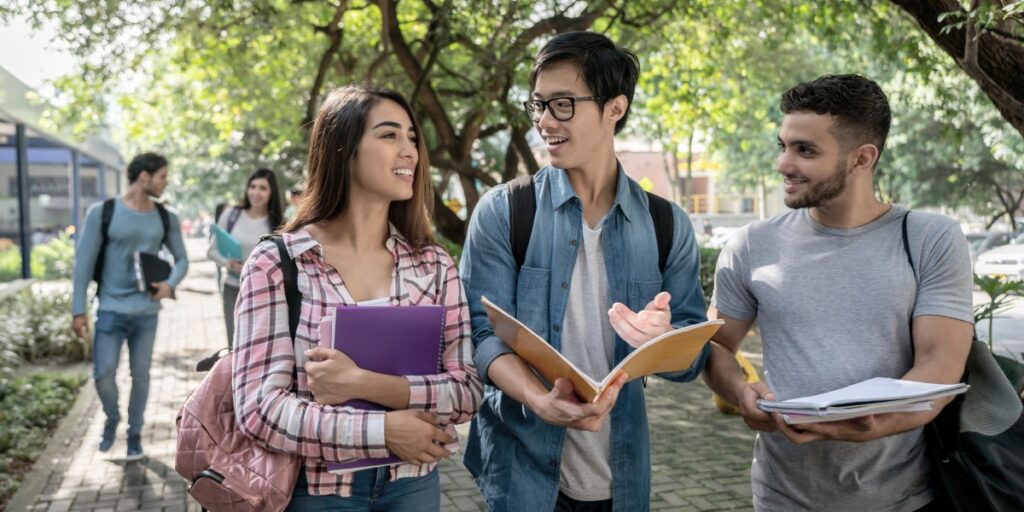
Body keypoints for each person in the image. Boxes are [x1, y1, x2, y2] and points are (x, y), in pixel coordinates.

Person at [459, 32, 709, 511]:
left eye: (563, 104)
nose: (544, 121)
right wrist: (538, 399)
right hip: (522, 475)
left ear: (615, 108)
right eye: (539, 105)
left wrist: (662, 342)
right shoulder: (504, 212)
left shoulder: (667, 224)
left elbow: (692, 358)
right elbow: (480, 335)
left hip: (622, 478)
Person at [702, 74, 974, 512]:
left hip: (902, 498)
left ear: (862, 158)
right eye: (783, 145)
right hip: (782, 496)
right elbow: (716, 345)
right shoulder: (751, 244)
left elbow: (939, 367)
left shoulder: (930, 239)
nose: (783, 164)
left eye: (805, 150)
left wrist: (872, 421)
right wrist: (739, 390)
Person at [232, 85, 482, 510]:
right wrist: (383, 431)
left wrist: (362, 384)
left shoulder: (434, 264)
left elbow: (467, 391)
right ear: (344, 150)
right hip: (317, 492)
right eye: (389, 135)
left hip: (413, 485)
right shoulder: (278, 263)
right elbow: (260, 409)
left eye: (412, 138)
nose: (410, 151)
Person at [70, 152, 189, 460]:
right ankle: (112, 417)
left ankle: (135, 433)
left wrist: (170, 285)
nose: (165, 182)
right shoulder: (103, 212)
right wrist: (78, 309)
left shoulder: (166, 217)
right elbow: (83, 264)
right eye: (162, 176)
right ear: (144, 177)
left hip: (147, 312)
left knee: (141, 374)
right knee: (103, 373)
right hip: (110, 308)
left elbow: (182, 259)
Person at [207, 168, 284, 347]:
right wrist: (228, 263)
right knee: (234, 346)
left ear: (271, 192)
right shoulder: (231, 215)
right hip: (233, 289)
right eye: (253, 186)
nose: (256, 192)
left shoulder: (278, 223)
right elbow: (211, 251)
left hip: (264, 294)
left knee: (259, 348)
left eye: (263, 188)